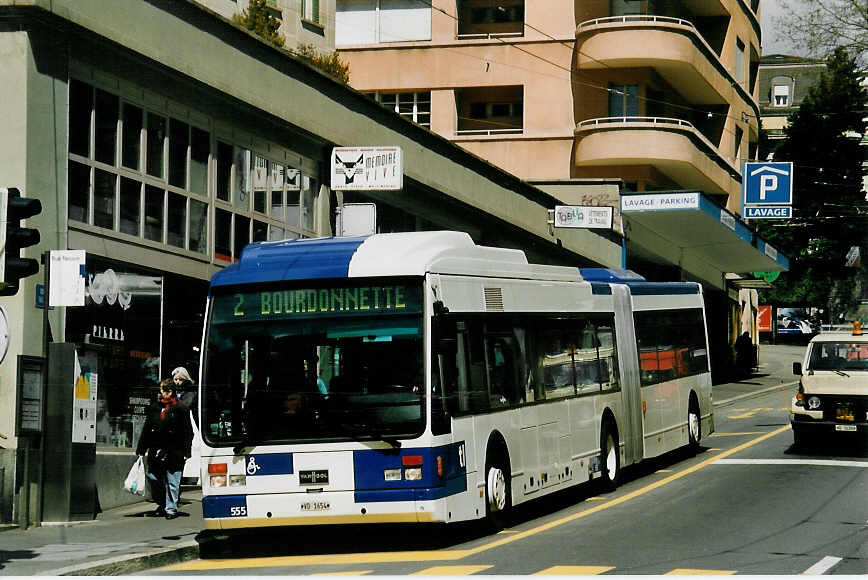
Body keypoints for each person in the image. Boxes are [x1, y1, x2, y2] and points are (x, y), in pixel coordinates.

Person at [136, 378, 194, 520]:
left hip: (174, 450)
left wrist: (186, 452)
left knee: (173, 481)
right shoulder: (155, 407)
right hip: (156, 450)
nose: (162, 393)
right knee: (152, 476)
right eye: (162, 390)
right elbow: (147, 429)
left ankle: (171, 509)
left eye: (165, 390)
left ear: (171, 392)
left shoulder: (181, 409)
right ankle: (162, 502)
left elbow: (188, 432)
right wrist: (141, 448)